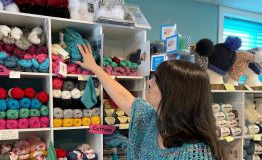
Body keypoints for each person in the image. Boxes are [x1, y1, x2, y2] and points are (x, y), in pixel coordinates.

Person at [76, 44, 222, 160]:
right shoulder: (151, 118)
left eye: (156, 79)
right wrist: (94, 67)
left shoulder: (196, 154)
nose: (150, 82)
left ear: (173, 93)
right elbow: (122, 96)